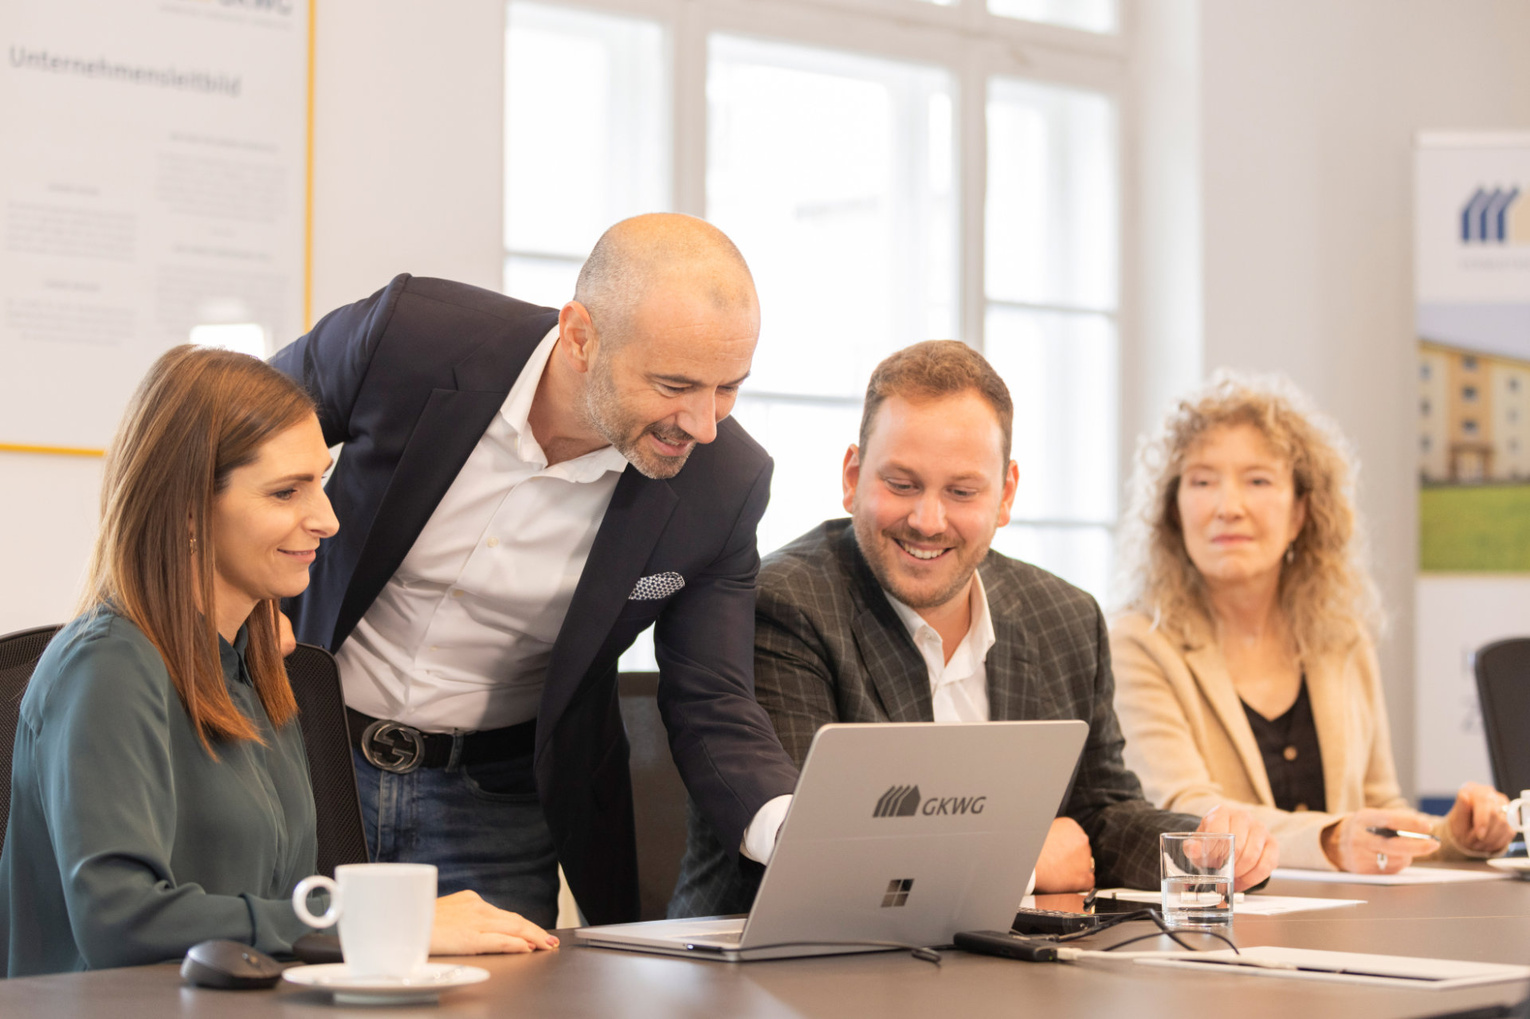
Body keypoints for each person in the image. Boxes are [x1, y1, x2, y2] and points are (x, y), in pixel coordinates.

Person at [270, 214, 799, 927]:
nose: (703, 424)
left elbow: (715, 698)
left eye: (728, 387)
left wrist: (788, 825)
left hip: (494, 805)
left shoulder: (724, 482)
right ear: (580, 336)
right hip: (302, 757)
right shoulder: (411, 338)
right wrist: (238, 602)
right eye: (675, 384)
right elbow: (220, 439)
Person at [0, 347, 556, 977]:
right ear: (186, 510)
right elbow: (120, 921)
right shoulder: (106, 668)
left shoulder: (260, 667)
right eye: (286, 491)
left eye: (319, 480)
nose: (326, 518)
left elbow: (287, 902)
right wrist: (384, 923)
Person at [668, 342, 1277, 917]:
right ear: (853, 476)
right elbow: (824, 853)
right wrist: (1023, 861)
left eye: (962, 491)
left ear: (1006, 494)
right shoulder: (784, 605)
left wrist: (1203, 848)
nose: (927, 521)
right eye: (900, 484)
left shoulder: (1064, 615)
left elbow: (1102, 813)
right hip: (776, 978)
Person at [1110, 372, 1513, 874]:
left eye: (1257, 480)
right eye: (1202, 481)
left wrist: (1456, 834)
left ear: (1302, 511)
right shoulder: (1136, 641)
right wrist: (1329, 839)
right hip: (1220, 930)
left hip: (1352, 930)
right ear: (1172, 510)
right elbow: (1186, 810)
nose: (1227, 507)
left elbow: (1377, 810)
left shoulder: (1341, 635)